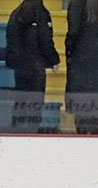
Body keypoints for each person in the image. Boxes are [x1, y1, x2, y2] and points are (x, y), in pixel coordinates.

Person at [5, 0, 61, 133]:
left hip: (20, 66)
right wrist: (54, 60)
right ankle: (32, 132)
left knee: (21, 101)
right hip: (36, 65)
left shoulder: (16, 13)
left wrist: (14, 60)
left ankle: (17, 132)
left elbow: (10, 38)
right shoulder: (41, 13)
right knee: (35, 103)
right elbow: (45, 40)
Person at [65, 0, 98, 134]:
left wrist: (70, 50)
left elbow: (73, 31)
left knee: (82, 106)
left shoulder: (77, 3)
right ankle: (94, 131)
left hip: (81, 55)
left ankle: (83, 132)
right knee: (97, 106)